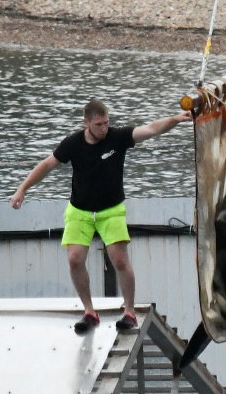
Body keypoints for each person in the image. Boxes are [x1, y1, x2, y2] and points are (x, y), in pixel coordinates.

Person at [11, 99, 191, 333]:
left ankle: (129, 312)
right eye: (98, 125)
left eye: (106, 123)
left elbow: (151, 129)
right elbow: (47, 165)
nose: (104, 128)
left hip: (111, 210)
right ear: (86, 122)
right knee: (75, 260)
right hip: (79, 211)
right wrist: (22, 189)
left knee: (120, 261)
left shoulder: (117, 138)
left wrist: (176, 119)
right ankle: (89, 311)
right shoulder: (73, 143)